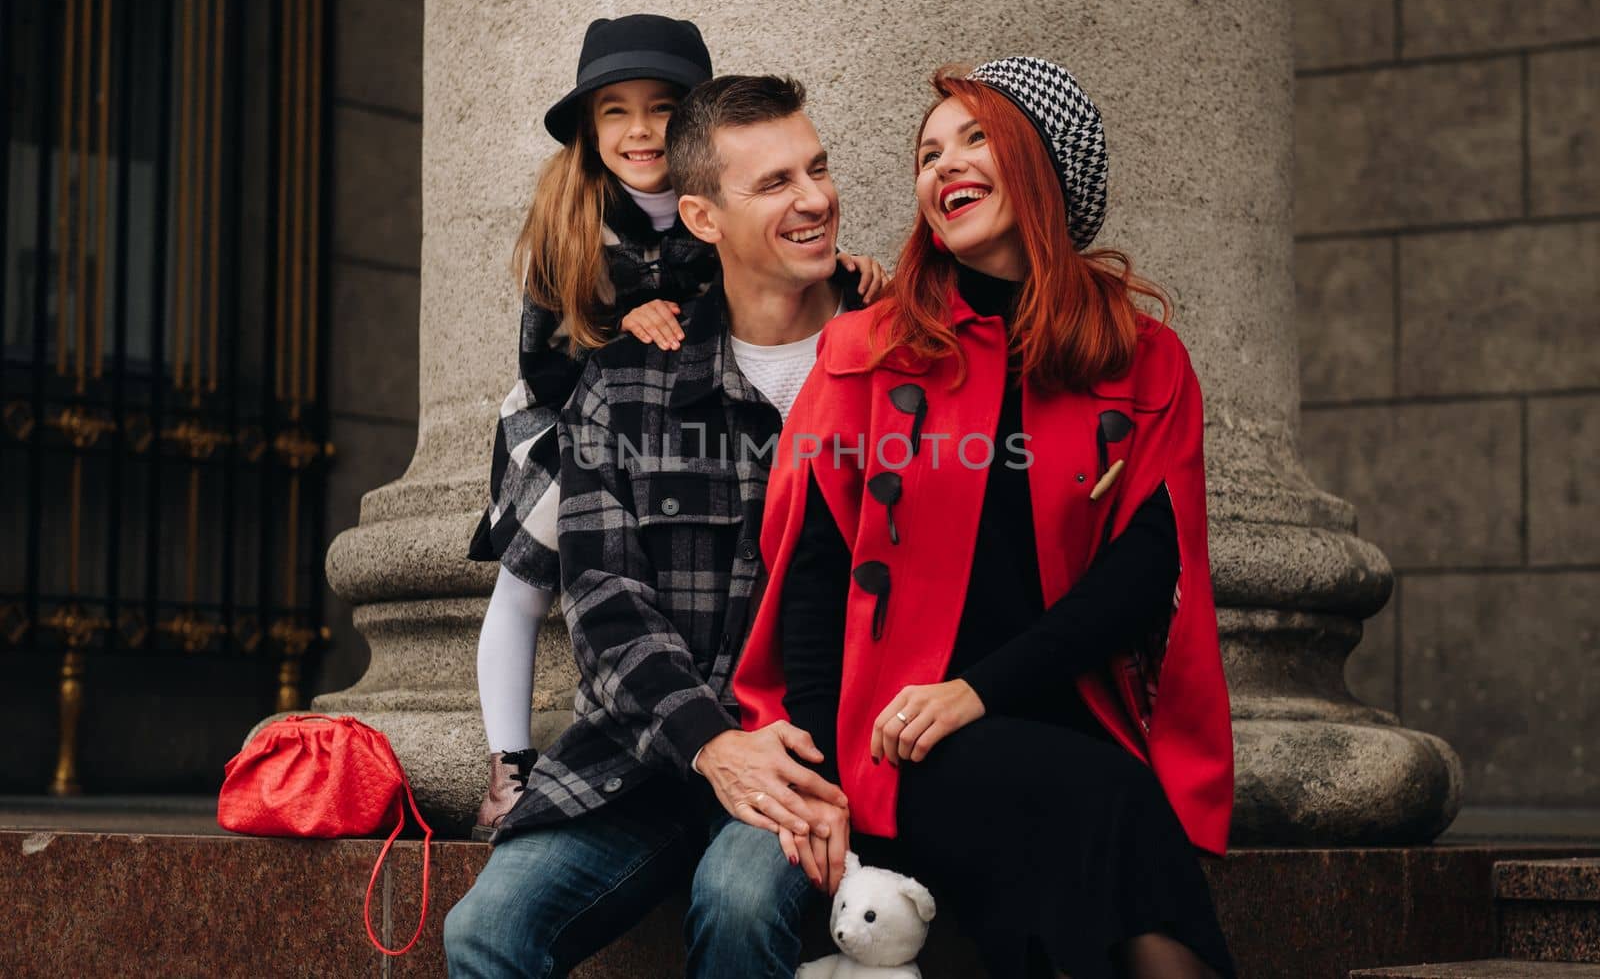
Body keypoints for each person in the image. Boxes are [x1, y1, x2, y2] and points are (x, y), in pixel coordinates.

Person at [734, 58, 1237, 979]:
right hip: (899, 741)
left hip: (1063, 711)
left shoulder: (1144, 358)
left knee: (1086, 825)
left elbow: (1142, 576)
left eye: (975, 137)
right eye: (928, 151)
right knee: (1104, 810)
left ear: (1044, 166)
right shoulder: (864, 353)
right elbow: (812, 573)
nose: (943, 166)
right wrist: (826, 780)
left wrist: (979, 690)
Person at [445, 75, 877, 978]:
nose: (816, 200)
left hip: (809, 755)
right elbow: (604, 600)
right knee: (483, 931)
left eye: (818, 169)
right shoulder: (628, 378)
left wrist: (800, 757)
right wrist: (711, 745)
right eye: (775, 184)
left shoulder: (893, 363)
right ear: (703, 218)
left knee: (741, 899)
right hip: (644, 759)